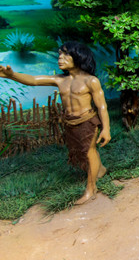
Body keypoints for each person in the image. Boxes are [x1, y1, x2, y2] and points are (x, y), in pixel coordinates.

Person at [0, 41, 111, 205]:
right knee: (81, 152)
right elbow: (34, 80)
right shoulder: (60, 80)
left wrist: (106, 129)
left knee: (89, 152)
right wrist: (12, 75)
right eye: (59, 54)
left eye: (65, 54)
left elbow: (102, 106)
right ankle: (100, 170)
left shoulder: (91, 81)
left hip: (87, 121)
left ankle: (91, 188)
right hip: (70, 123)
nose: (60, 58)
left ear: (78, 56)